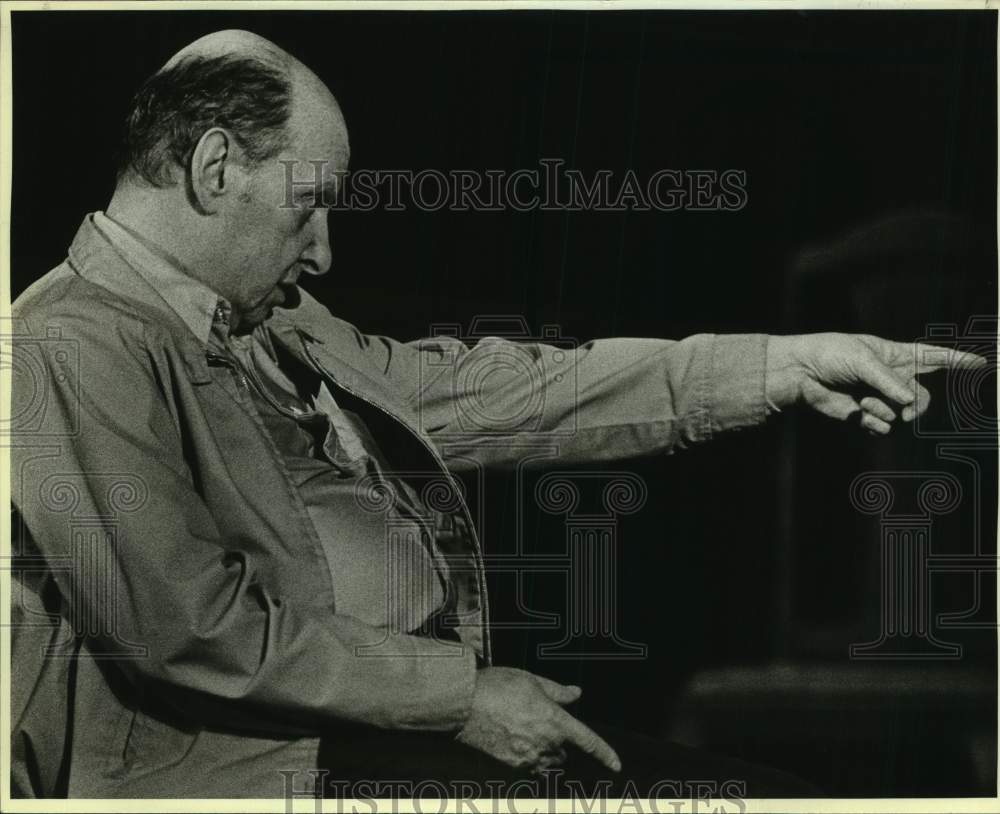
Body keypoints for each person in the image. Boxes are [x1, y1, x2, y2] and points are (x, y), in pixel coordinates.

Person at [8, 29, 983, 801]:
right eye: (308, 206)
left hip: (369, 742)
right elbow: (187, 625)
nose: (324, 251)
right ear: (215, 167)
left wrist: (771, 365)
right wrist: (461, 697)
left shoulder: (271, 320)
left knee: (777, 797)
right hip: (256, 775)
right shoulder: (70, 340)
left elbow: (495, 390)